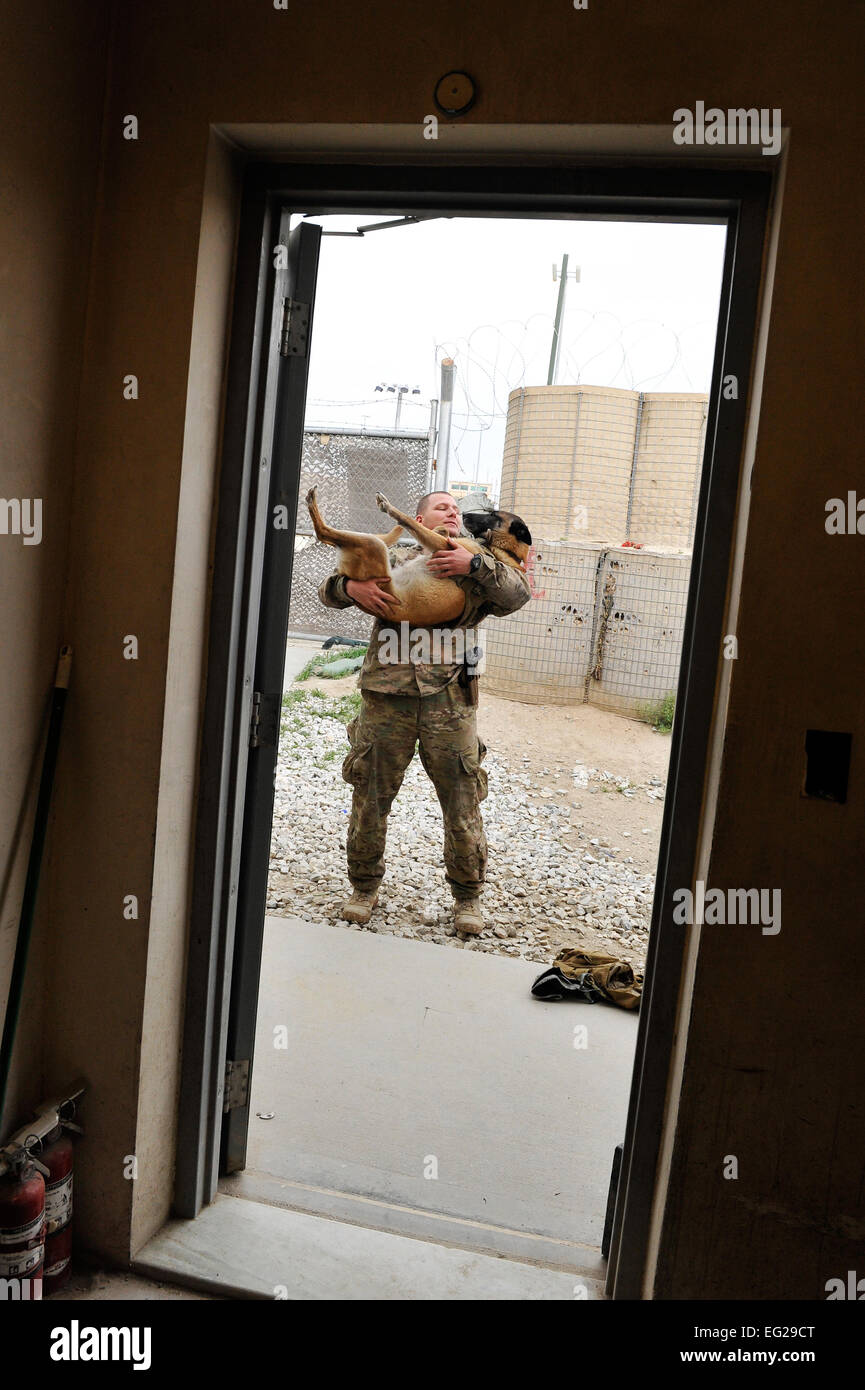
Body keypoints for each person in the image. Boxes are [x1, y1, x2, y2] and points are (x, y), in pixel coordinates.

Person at [317, 490, 532, 937]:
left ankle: (467, 897)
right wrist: (349, 587)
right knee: (370, 796)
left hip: (450, 702)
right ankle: (363, 888)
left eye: (457, 510)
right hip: (387, 696)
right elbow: (328, 592)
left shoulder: (482, 567)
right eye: (442, 508)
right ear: (419, 519)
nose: (453, 513)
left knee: (462, 801)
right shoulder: (395, 558)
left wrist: (470, 565)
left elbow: (518, 594)